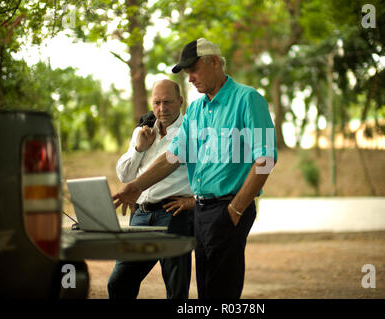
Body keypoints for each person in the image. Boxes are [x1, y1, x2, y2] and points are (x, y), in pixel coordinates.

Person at [112, 38, 277, 299]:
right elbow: (172, 157)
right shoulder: (197, 109)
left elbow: (266, 159)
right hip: (200, 214)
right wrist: (135, 186)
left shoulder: (248, 99)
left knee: (220, 293)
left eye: (193, 70)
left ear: (214, 62)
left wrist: (235, 209)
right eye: (187, 72)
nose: (190, 78)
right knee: (205, 291)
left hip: (228, 208)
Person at [107, 79, 195, 299]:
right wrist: (139, 148)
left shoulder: (191, 131)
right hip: (141, 215)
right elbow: (125, 174)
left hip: (173, 215)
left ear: (180, 101)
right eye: (157, 102)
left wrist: (194, 201)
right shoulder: (144, 130)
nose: (161, 109)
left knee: (176, 290)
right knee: (119, 283)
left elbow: (208, 172)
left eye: (167, 102)